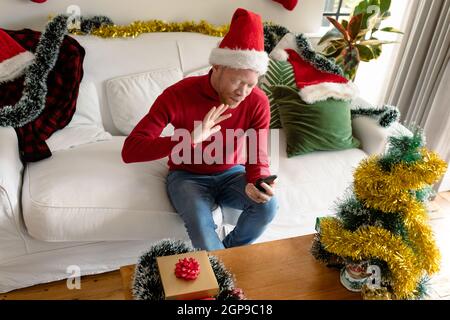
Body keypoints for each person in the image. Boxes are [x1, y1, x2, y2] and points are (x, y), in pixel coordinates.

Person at [121, 8, 278, 251]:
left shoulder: (257, 101)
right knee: (200, 225)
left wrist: (257, 180)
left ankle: (227, 258)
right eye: (237, 81)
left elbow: (258, 153)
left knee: (268, 206)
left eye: (250, 84)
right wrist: (186, 140)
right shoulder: (177, 95)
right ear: (217, 66)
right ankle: (224, 274)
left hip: (232, 173)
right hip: (187, 177)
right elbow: (130, 151)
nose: (243, 92)